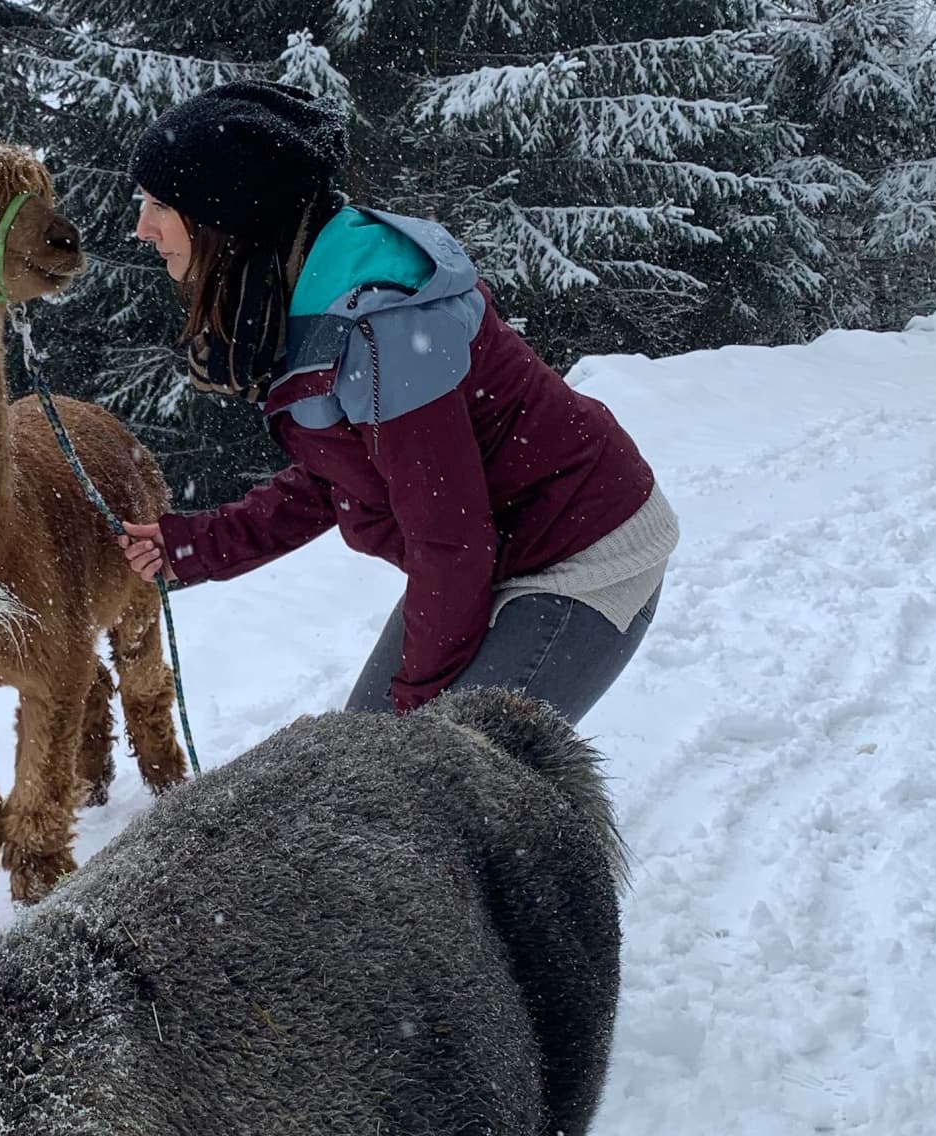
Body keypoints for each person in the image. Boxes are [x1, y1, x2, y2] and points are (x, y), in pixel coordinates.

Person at [115, 81, 678, 723]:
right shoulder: (308, 296)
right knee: (363, 766)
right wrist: (199, 543)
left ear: (229, 216)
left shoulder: (377, 324)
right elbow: (342, 476)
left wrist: (412, 727)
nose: (142, 228)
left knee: (427, 793)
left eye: (160, 204)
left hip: (582, 556)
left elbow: (450, 536)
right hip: (492, 551)